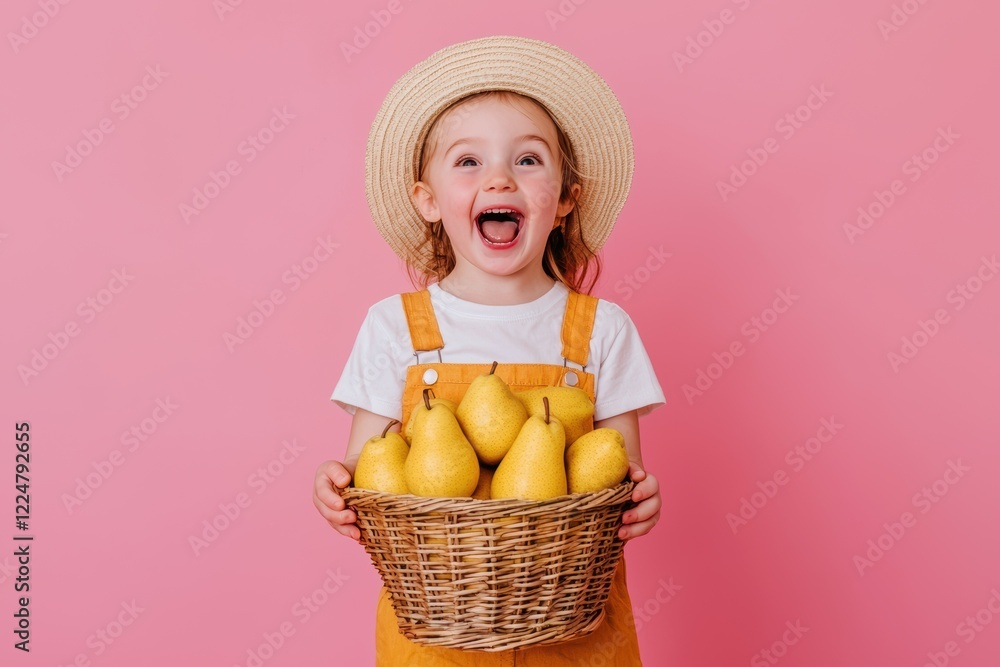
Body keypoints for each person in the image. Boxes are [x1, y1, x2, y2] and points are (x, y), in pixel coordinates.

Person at [312, 35, 666, 665]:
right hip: (438, 629)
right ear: (428, 200)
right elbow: (370, 471)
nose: (499, 176)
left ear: (563, 201)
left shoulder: (602, 329)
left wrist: (642, 503)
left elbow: (617, 477)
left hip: (573, 629)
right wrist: (335, 489)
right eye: (468, 162)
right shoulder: (395, 326)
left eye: (528, 161)